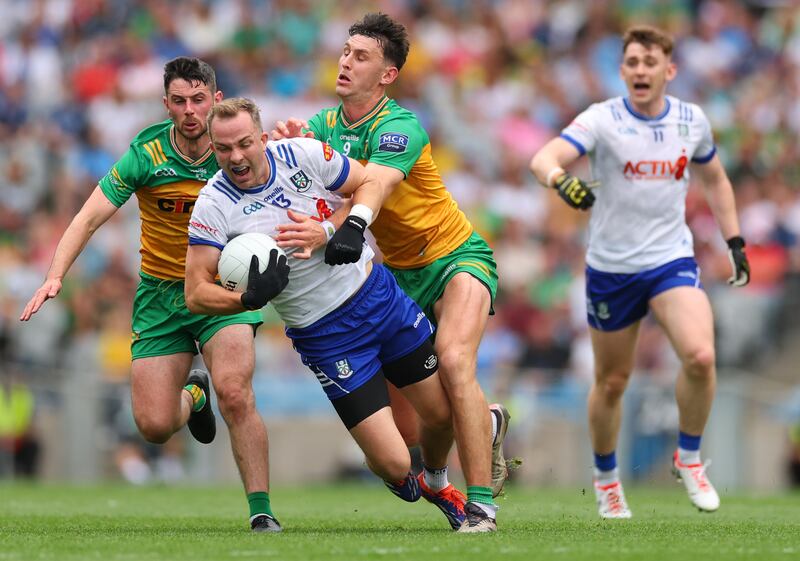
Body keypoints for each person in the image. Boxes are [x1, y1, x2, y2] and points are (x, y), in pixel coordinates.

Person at [19, 58, 280, 533]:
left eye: (199, 99)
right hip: (161, 295)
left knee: (237, 393)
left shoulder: (237, 149)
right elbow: (89, 217)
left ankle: (262, 511)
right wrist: (54, 275)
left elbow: (294, 178)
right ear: (166, 105)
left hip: (222, 290)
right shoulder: (146, 153)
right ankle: (193, 396)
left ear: (216, 100)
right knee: (155, 426)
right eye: (179, 101)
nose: (189, 110)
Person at [184, 97, 469, 532]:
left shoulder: (301, 152)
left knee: (443, 415)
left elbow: (369, 182)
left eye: (244, 143)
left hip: (379, 299)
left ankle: (439, 482)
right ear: (212, 146)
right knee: (395, 464)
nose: (236, 157)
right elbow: (196, 293)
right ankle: (399, 472)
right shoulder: (213, 204)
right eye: (223, 149)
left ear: (262, 138)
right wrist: (246, 300)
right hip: (327, 337)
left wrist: (334, 227)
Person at [271, 12, 508, 532]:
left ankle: (482, 502)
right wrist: (282, 146)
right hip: (397, 277)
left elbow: (373, 183)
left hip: (453, 256)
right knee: (415, 427)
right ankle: (480, 430)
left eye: (361, 56)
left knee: (454, 360)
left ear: (388, 74)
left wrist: (336, 228)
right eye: (346, 51)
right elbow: (293, 174)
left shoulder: (401, 125)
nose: (345, 61)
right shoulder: (322, 127)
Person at [530, 25, 751, 519]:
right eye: (631, 62)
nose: (640, 70)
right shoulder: (602, 119)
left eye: (650, 63)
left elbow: (715, 179)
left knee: (699, 355)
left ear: (669, 71)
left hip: (670, 259)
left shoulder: (691, 121)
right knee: (612, 382)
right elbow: (543, 158)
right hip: (611, 267)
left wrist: (734, 239)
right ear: (623, 69)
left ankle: (689, 458)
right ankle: (607, 478)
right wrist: (562, 182)